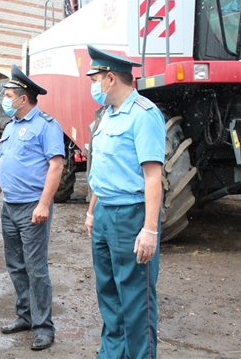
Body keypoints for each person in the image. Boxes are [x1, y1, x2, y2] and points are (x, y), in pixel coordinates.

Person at [83, 45, 166, 359]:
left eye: (94, 78)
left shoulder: (144, 115)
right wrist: (92, 211)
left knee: (135, 298)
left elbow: (152, 177)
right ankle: (112, 354)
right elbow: (103, 168)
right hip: (105, 212)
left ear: (110, 78)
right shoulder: (108, 114)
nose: (92, 85)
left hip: (131, 215)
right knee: (108, 293)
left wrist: (149, 230)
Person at [0, 64, 64, 351]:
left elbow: (56, 166)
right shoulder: (10, 127)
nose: (5, 100)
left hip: (33, 208)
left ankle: (44, 327)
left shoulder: (46, 125)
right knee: (16, 265)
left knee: (36, 268)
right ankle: (25, 316)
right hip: (10, 207)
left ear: (23, 98)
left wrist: (44, 204)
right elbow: (1, 166)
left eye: (8, 95)